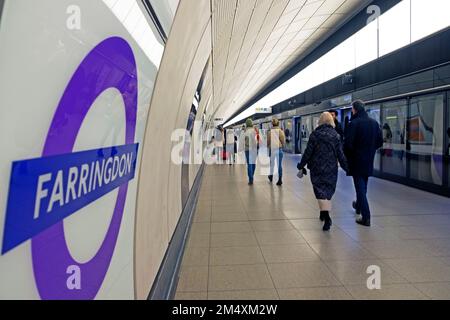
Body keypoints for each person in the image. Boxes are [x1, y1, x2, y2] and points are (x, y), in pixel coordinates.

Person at [297, 112, 348, 231]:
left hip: (317, 168)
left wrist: (301, 165)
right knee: (328, 191)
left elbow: (308, 152)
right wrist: (347, 168)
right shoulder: (335, 135)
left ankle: (327, 217)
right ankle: (324, 213)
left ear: (319, 121)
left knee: (320, 191)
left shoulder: (315, 135)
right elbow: (340, 154)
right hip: (331, 168)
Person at [344, 100, 383, 227]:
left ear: (354, 109)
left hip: (356, 161)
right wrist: (370, 150)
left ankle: (366, 217)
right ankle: (358, 207)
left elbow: (348, 144)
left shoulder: (354, 124)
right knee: (363, 186)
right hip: (369, 159)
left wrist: (349, 156)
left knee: (360, 188)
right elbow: (379, 142)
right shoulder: (374, 123)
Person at [267, 118, 286, 186]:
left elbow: (268, 142)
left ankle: (271, 176)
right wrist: (282, 146)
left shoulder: (270, 132)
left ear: (272, 124)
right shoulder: (280, 131)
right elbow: (283, 141)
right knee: (279, 165)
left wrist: (268, 147)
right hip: (279, 149)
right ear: (278, 123)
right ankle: (280, 179)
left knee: (272, 164)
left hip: (272, 150)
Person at [244, 118, 258, 185]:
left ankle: (251, 178)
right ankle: (252, 175)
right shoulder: (254, 131)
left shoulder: (245, 131)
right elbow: (257, 140)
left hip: (247, 149)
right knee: (253, 163)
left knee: (249, 164)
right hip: (254, 149)